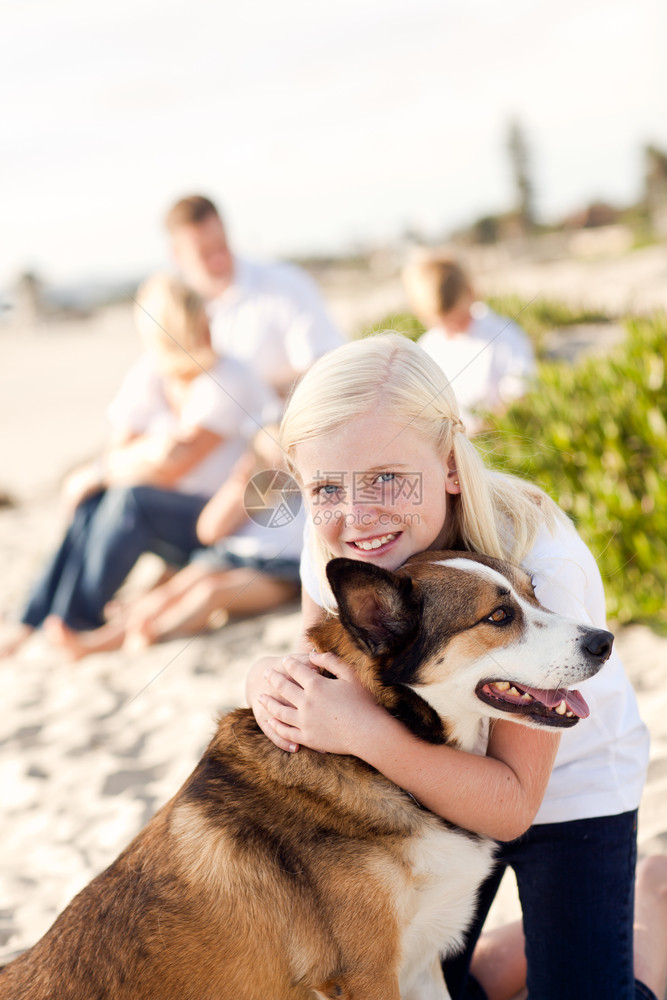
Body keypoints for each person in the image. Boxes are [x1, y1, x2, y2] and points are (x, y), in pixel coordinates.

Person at [245, 332, 666, 1000]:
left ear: (447, 461)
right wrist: (269, 678)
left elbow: (509, 805)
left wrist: (363, 733)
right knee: (429, 980)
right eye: (325, 486)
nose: (359, 514)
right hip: (421, 775)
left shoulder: (536, 562)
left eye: (387, 475)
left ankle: (651, 905)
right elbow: (320, 654)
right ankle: (521, 950)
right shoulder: (339, 536)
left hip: (558, 789)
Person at [2, 274, 277, 655]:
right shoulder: (152, 374)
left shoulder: (229, 377)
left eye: (206, 319)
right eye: (197, 321)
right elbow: (118, 450)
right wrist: (122, 464)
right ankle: (32, 619)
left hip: (224, 520)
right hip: (172, 515)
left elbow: (174, 466)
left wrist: (118, 465)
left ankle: (74, 618)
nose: (208, 329)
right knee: (94, 497)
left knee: (130, 498)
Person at [46, 426, 304, 657]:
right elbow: (210, 530)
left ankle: (157, 632)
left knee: (210, 591)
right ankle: (98, 641)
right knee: (170, 591)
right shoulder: (250, 492)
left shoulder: (308, 494)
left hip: (280, 572)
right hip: (230, 555)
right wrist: (241, 483)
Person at [165, 194, 344, 399]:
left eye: (220, 245)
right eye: (204, 253)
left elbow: (326, 370)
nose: (217, 259)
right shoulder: (175, 312)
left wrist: (243, 394)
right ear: (176, 254)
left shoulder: (285, 284)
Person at [402, 254, 536, 434]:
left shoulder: (503, 335)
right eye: (441, 323)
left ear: (471, 293)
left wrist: (488, 426)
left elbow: (520, 393)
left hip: (496, 437)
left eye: (456, 320)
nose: (449, 329)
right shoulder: (429, 345)